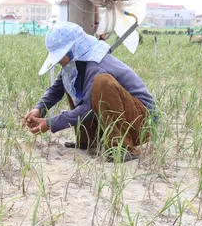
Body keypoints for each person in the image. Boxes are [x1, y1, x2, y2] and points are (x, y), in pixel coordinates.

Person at [24, 21, 155, 161]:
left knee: (101, 83)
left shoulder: (95, 65)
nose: (58, 61)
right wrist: (39, 109)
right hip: (126, 115)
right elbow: (56, 89)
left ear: (74, 49)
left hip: (142, 120)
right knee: (71, 83)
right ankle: (88, 141)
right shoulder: (75, 64)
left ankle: (123, 147)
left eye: (61, 55)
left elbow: (88, 108)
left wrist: (51, 123)